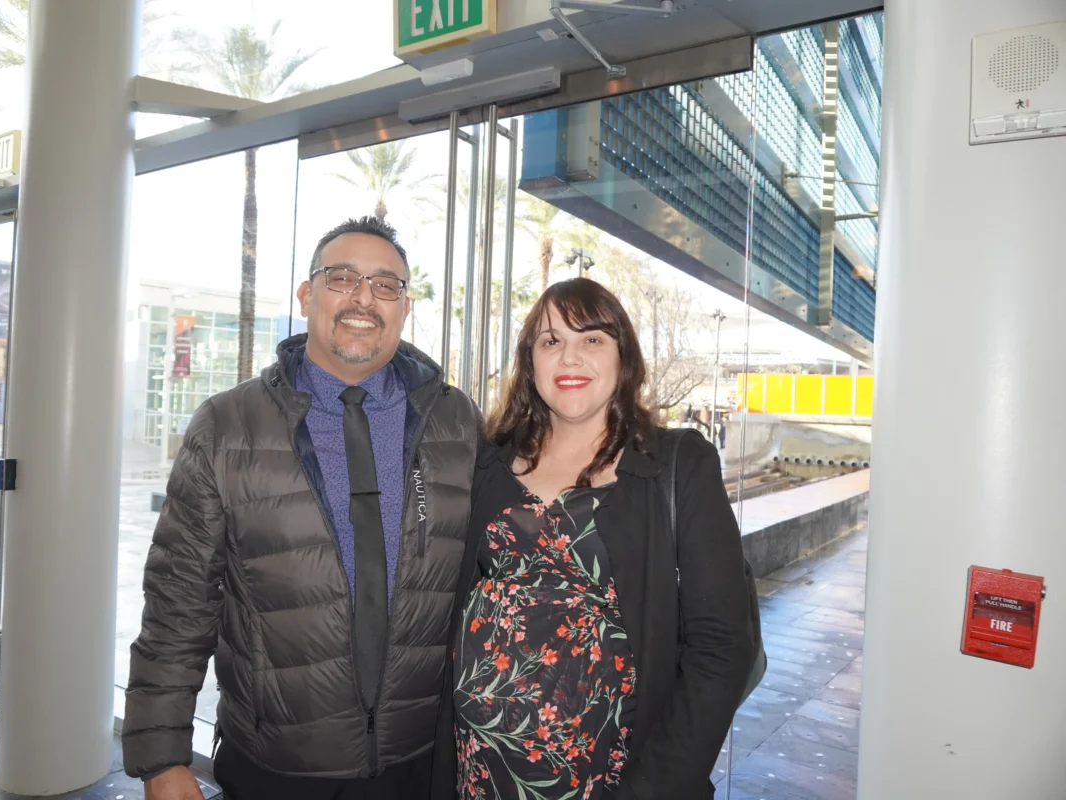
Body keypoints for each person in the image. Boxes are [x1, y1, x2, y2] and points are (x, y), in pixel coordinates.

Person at [123, 217, 480, 800]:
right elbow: (179, 598)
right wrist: (161, 758)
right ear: (306, 295)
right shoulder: (228, 425)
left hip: (422, 761)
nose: (364, 297)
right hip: (276, 766)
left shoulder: (456, 422)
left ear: (405, 308)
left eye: (386, 285)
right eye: (343, 278)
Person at [432, 279, 754, 799]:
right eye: (551, 341)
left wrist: (657, 787)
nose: (570, 357)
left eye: (593, 339)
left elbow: (721, 648)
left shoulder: (677, 465)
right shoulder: (487, 463)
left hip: (613, 779)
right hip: (480, 772)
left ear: (622, 357)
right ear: (530, 361)